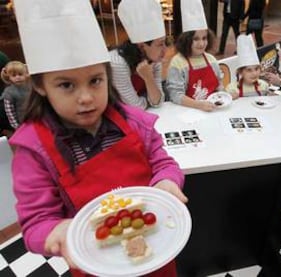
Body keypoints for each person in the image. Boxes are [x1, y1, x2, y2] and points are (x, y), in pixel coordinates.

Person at [10, 1, 187, 277]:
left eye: (95, 81)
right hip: (98, 264)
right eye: (66, 85)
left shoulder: (132, 120)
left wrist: (167, 181)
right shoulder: (34, 150)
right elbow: (36, 222)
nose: (86, 97)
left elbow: (162, 161)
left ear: (108, 77)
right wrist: (58, 231)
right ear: (40, 85)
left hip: (156, 252)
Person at [166, 0, 223, 112]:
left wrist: (224, 95)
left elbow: (219, 85)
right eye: (196, 39)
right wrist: (199, 105)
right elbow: (175, 95)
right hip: (186, 112)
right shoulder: (178, 62)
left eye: (204, 38)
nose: (201, 44)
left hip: (211, 110)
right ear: (186, 40)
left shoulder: (211, 60)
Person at [109, 0, 166, 109]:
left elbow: (158, 102)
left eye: (165, 43)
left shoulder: (155, 61)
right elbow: (137, 107)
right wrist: (148, 100)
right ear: (141, 46)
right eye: (160, 44)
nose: (165, 50)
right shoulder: (117, 63)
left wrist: (148, 77)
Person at [226, 34, 270, 99]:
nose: (254, 73)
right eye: (249, 70)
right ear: (240, 72)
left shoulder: (264, 85)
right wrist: (229, 98)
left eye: (256, 69)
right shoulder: (232, 88)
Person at [1, 61, 31, 129]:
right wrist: (17, 127)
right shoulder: (9, 93)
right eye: (14, 75)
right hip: (23, 123)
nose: (17, 77)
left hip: (38, 118)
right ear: (9, 77)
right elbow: (10, 113)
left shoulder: (32, 86)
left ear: (25, 74)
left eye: (20, 74)